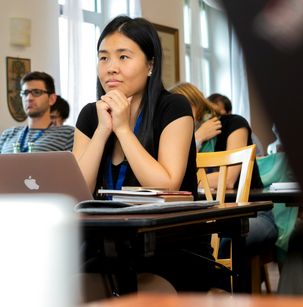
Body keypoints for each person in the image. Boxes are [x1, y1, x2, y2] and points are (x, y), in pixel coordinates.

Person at [72, 16, 218, 298]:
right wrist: (104, 130)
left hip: (171, 246)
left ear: (150, 65)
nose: (110, 68)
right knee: (58, 289)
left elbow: (168, 184)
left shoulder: (173, 107)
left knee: (140, 294)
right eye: (103, 58)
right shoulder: (91, 115)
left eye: (123, 56)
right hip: (107, 247)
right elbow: (79, 191)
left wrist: (124, 130)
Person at [170, 82, 277, 290]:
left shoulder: (234, 123)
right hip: (207, 216)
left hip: (252, 215)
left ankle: (225, 297)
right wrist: (197, 138)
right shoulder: (185, 137)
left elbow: (228, 179)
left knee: (223, 240)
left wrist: (189, 178)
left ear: (195, 104)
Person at [0, 71, 74, 153]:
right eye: (25, 93)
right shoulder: (7, 135)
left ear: (51, 99)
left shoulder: (68, 134)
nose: (29, 98)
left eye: (36, 92)